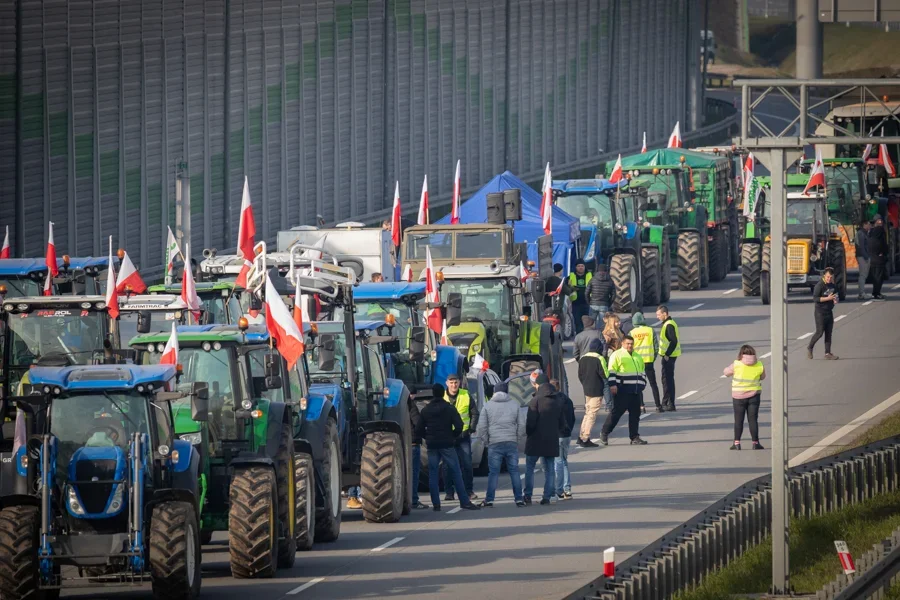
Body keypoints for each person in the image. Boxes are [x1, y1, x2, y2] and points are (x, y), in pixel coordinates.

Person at [416, 384, 480, 511]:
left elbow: (419, 429)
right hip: (447, 444)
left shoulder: (426, 410)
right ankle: (464, 501)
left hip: (432, 445)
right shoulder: (449, 408)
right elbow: (459, 426)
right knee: (456, 471)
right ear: (442, 393)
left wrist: (428, 437)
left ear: (433, 394)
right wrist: (453, 437)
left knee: (433, 474)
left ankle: (436, 504)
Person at [475, 381, 526, 507]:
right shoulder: (514, 404)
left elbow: (482, 427)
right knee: (514, 471)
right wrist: (517, 438)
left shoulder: (488, 406)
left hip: (494, 443)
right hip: (511, 442)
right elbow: (522, 424)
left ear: (494, 392)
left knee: (493, 472)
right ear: (507, 391)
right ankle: (519, 498)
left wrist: (487, 441)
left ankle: (490, 499)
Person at [524, 373, 566, 505]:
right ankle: (547, 496)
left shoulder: (535, 400)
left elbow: (530, 422)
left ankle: (528, 495)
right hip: (551, 439)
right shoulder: (557, 400)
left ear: (538, 385)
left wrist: (529, 434)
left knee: (530, 467)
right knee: (549, 469)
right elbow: (563, 423)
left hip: (535, 440)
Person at [600, 335, 648, 446]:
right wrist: (612, 385)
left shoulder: (637, 356)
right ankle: (605, 432)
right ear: (622, 343)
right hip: (622, 390)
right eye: (627, 344)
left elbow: (642, 371)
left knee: (635, 414)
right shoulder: (617, 355)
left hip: (635, 390)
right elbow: (612, 370)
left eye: (631, 344)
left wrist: (643, 383)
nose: (630, 346)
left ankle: (634, 437)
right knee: (616, 413)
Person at [443, 374, 479, 502]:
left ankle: (469, 491)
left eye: (456, 382)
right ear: (447, 383)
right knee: (447, 466)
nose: (454, 385)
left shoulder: (466, 395)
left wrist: (471, 428)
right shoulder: (442, 397)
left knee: (467, 465)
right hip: (448, 437)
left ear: (459, 383)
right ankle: (449, 493)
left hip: (463, 436)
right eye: (451, 382)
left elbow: (474, 412)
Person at [723, 344, 766, 450]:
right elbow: (763, 377)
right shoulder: (759, 364)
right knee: (753, 420)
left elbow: (726, 372)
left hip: (738, 397)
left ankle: (737, 443)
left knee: (738, 420)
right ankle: (755, 443)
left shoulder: (737, 364)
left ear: (741, 354)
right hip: (754, 396)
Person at [576, 338, 606, 448]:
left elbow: (580, 375)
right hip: (597, 390)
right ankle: (585, 438)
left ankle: (581, 436)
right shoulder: (599, 358)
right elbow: (605, 374)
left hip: (586, 389)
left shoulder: (583, 358)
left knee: (587, 413)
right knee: (592, 414)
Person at [630, 313, 661, 413]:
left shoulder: (632, 333)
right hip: (649, 361)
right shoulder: (650, 330)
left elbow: (629, 349)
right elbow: (656, 346)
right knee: (653, 384)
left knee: (638, 385)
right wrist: (653, 357)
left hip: (637, 362)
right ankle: (658, 405)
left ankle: (641, 406)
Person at [807, 267, 839, 360]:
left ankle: (827, 353)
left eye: (831, 277)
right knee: (820, 332)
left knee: (829, 333)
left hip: (829, 311)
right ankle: (810, 347)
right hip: (820, 312)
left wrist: (835, 299)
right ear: (824, 276)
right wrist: (827, 299)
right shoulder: (819, 285)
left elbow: (836, 295)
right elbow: (816, 299)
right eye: (828, 277)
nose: (829, 279)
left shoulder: (833, 285)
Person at [553, 378, 576, 500]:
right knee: (564, 461)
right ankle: (567, 489)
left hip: (556, 435)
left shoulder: (552, 401)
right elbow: (573, 418)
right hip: (566, 435)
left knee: (558, 462)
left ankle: (559, 490)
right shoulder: (568, 400)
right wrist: (569, 430)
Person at [656, 305, 681, 411]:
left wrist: (667, 354)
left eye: (658, 314)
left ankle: (669, 403)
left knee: (667, 380)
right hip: (669, 356)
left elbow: (673, 341)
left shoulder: (669, 325)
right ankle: (667, 402)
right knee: (667, 380)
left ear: (664, 314)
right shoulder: (668, 323)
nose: (657, 317)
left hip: (669, 357)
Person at [408, 390, 428, 509]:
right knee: (414, 473)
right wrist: (426, 436)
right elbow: (417, 422)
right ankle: (414, 500)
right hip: (413, 442)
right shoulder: (411, 405)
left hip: (406, 443)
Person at [601, 313, 624, 410]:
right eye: (617, 322)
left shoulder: (618, 331)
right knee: (611, 380)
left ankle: (617, 402)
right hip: (611, 358)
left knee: (619, 379)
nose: (619, 323)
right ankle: (611, 403)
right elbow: (604, 347)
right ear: (612, 323)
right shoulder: (608, 333)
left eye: (619, 321)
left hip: (619, 357)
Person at [567, 259, 592, 334]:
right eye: (578, 266)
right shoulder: (571, 276)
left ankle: (586, 335)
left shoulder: (589, 275)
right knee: (577, 321)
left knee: (587, 321)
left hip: (586, 302)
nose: (580, 267)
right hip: (576, 303)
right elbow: (566, 287)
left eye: (582, 266)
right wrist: (571, 287)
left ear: (585, 267)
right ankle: (579, 336)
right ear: (575, 267)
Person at [869, 215, 888, 300]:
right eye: (879, 220)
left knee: (876, 277)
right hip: (878, 258)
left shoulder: (871, 232)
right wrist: (882, 253)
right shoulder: (880, 230)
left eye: (881, 220)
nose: (880, 222)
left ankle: (876, 293)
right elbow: (882, 244)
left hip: (872, 258)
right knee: (879, 277)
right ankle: (876, 294)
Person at [855, 220, 871, 300]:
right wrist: (866, 257)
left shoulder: (864, 233)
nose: (870, 225)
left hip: (863, 256)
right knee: (863, 275)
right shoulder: (861, 233)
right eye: (868, 224)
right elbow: (861, 247)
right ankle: (861, 293)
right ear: (864, 224)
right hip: (862, 256)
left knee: (864, 275)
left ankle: (862, 293)